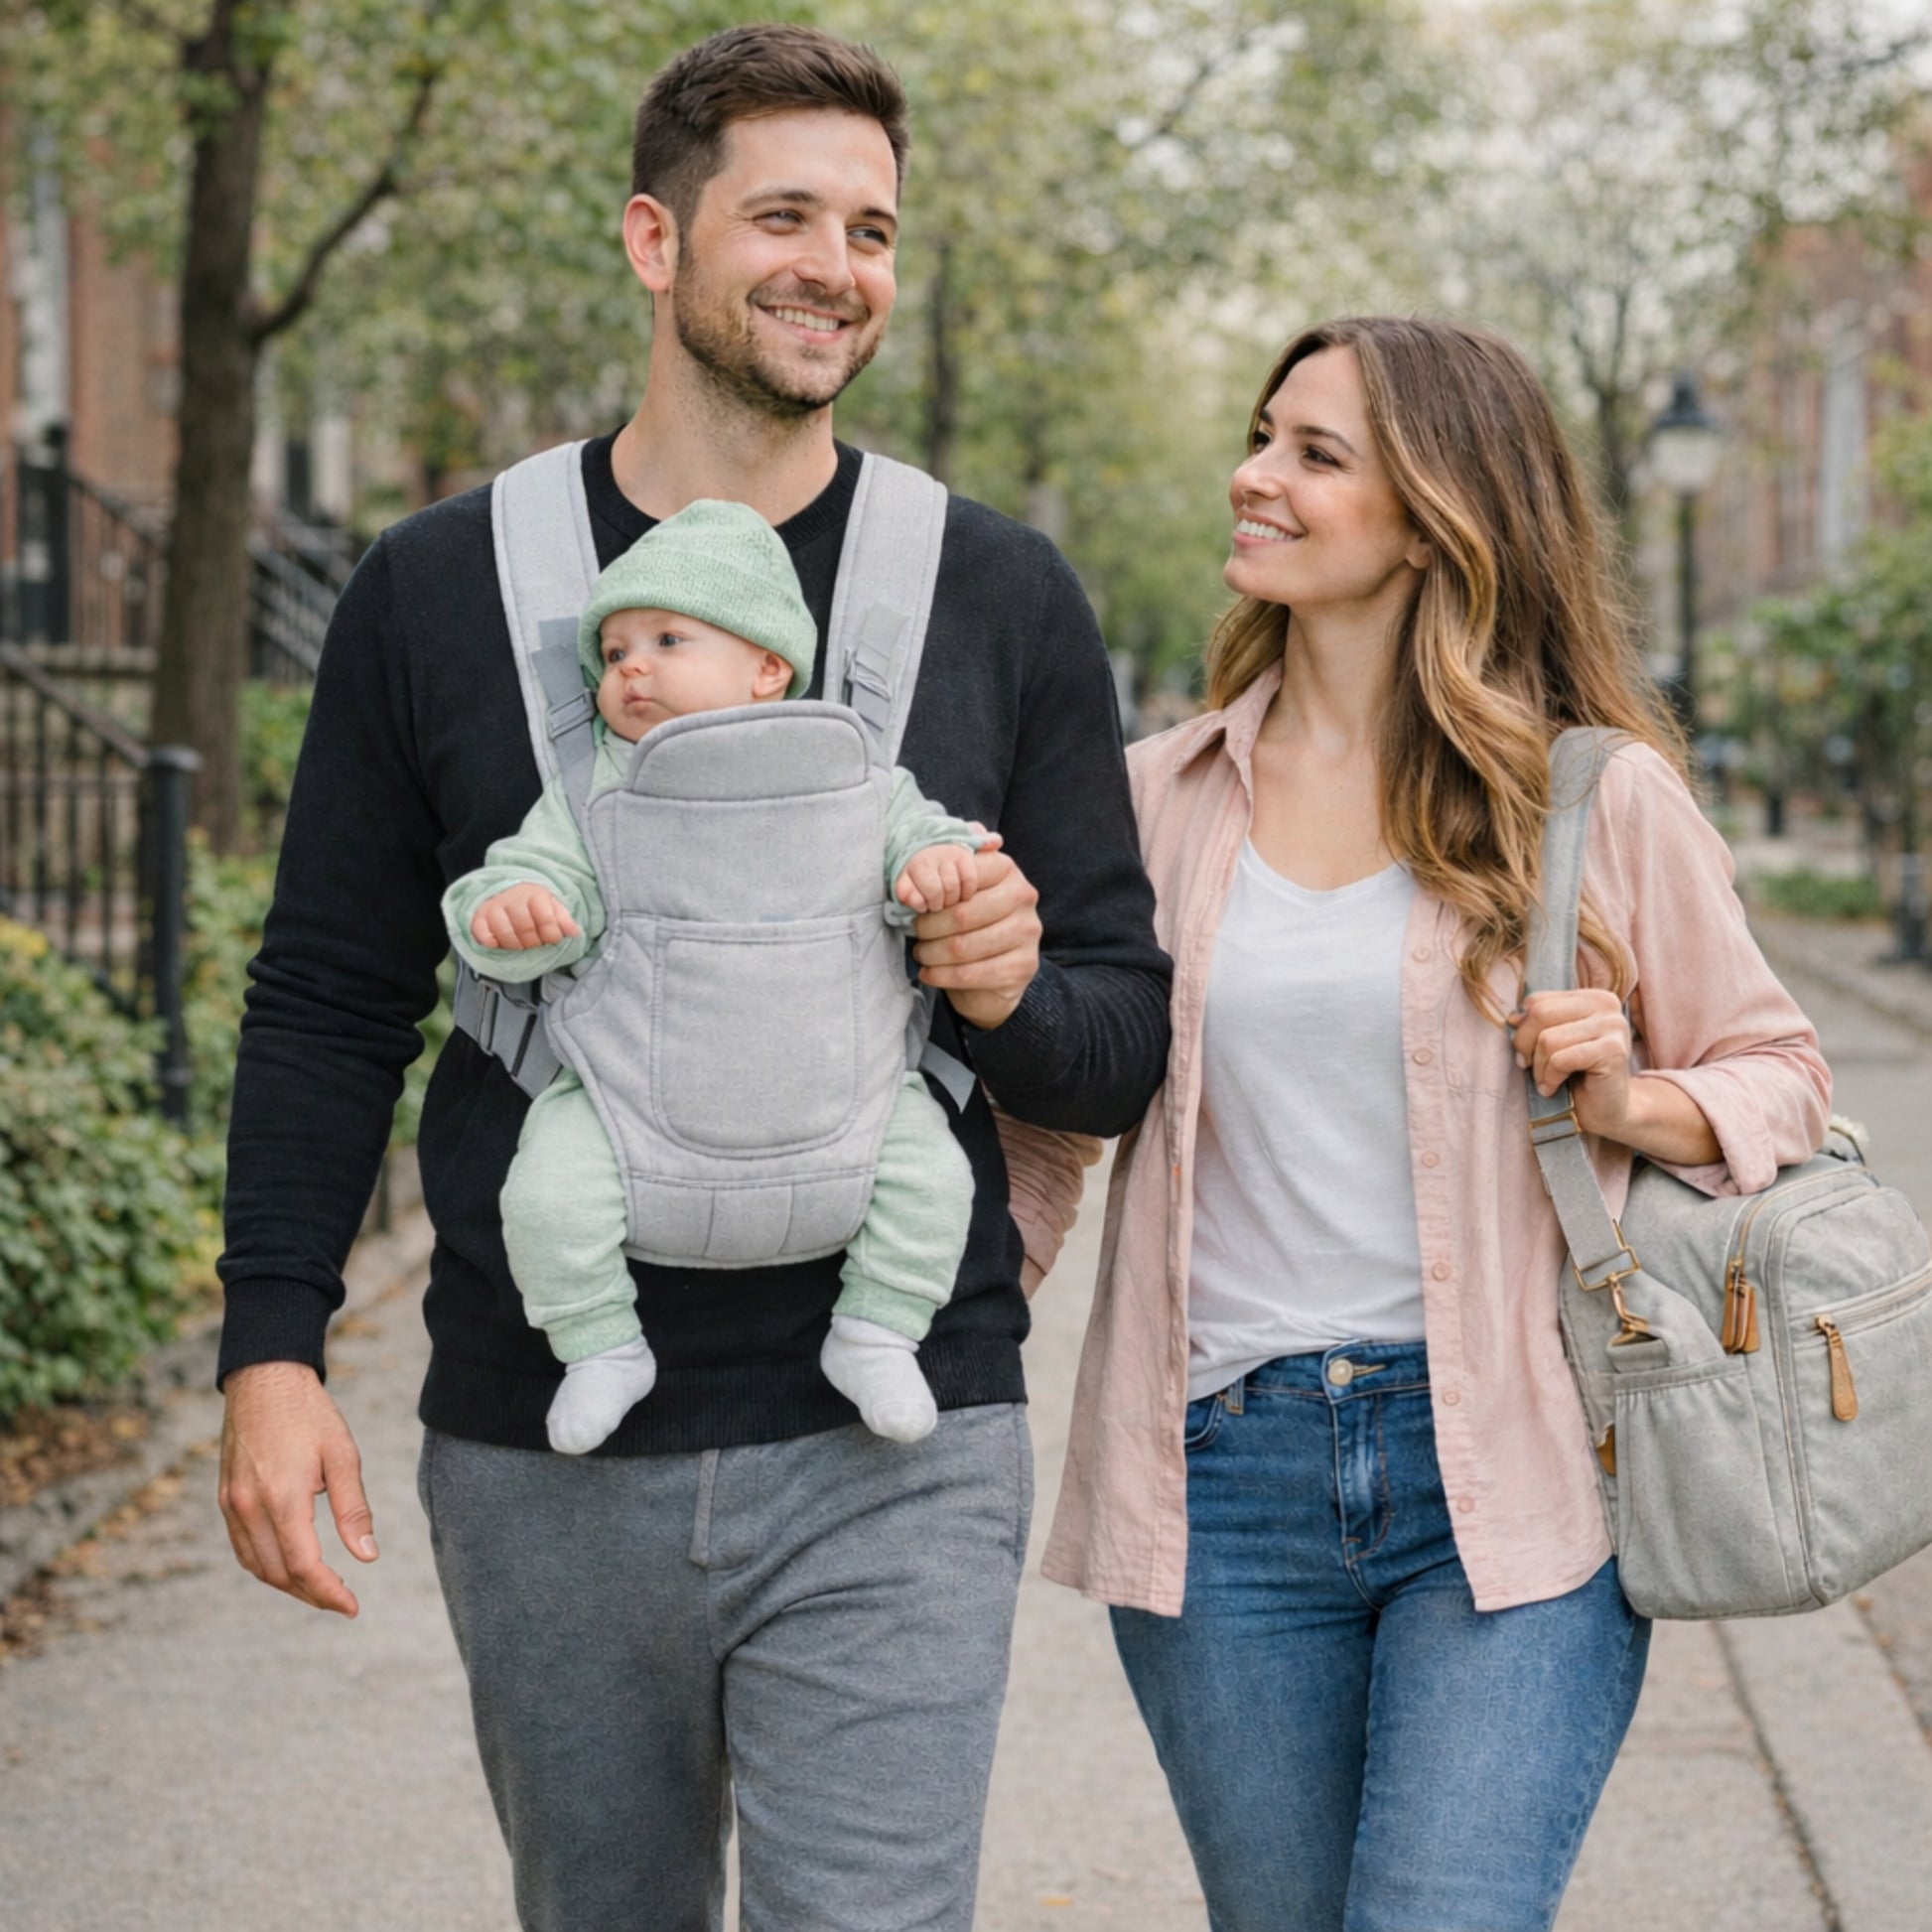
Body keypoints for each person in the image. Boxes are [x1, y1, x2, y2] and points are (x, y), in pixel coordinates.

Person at [212, 25, 1170, 1932]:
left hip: (895, 1436)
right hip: (544, 1438)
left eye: (874, 228)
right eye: (787, 215)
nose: (837, 264)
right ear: (656, 240)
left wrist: (997, 986)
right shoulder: (435, 591)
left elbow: (1117, 1038)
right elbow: (329, 995)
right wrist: (269, 1346)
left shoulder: (996, 594)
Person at [1003, 315, 1832, 1931]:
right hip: (1219, 1483)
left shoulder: (1589, 799)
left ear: (1443, 513)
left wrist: (1631, 1094)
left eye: (1315, 455)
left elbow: (1780, 1068)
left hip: (1511, 1471)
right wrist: (923, 1336)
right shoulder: (1156, 794)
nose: (1253, 476)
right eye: (1260, 437)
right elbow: (1059, 1121)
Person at [443, 498, 986, 1452]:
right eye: (612, 653)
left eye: (666, 638)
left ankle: (877, 1330)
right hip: (625, 1102)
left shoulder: (854, 776)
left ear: (768, 667)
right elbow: (523, 877)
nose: (631, 666)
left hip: (851, 1099)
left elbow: (926, 835)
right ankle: (600, 1342)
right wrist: (515, 913)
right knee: (545, 1196)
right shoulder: (596, 789)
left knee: (934, 1178)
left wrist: (934, 867)